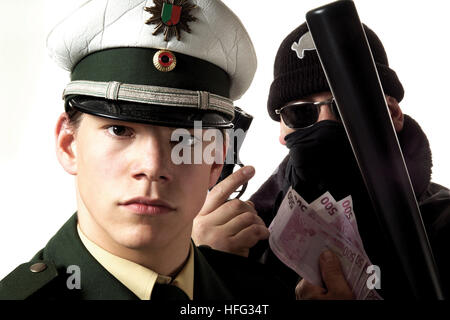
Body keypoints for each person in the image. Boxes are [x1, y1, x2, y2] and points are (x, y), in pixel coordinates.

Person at [0, 0, 292, 300]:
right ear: (68, 144)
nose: (152, 166)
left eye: (187, 139)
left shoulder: (265, 295)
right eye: (120, 130)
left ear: (216, 161)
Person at [193, 22, 450, 299]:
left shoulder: (444, 224)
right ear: (283, 128)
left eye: (346, 106)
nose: (326, 123)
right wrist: (202, 272)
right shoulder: (243, 234)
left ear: (393, 114)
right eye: (300, 113)